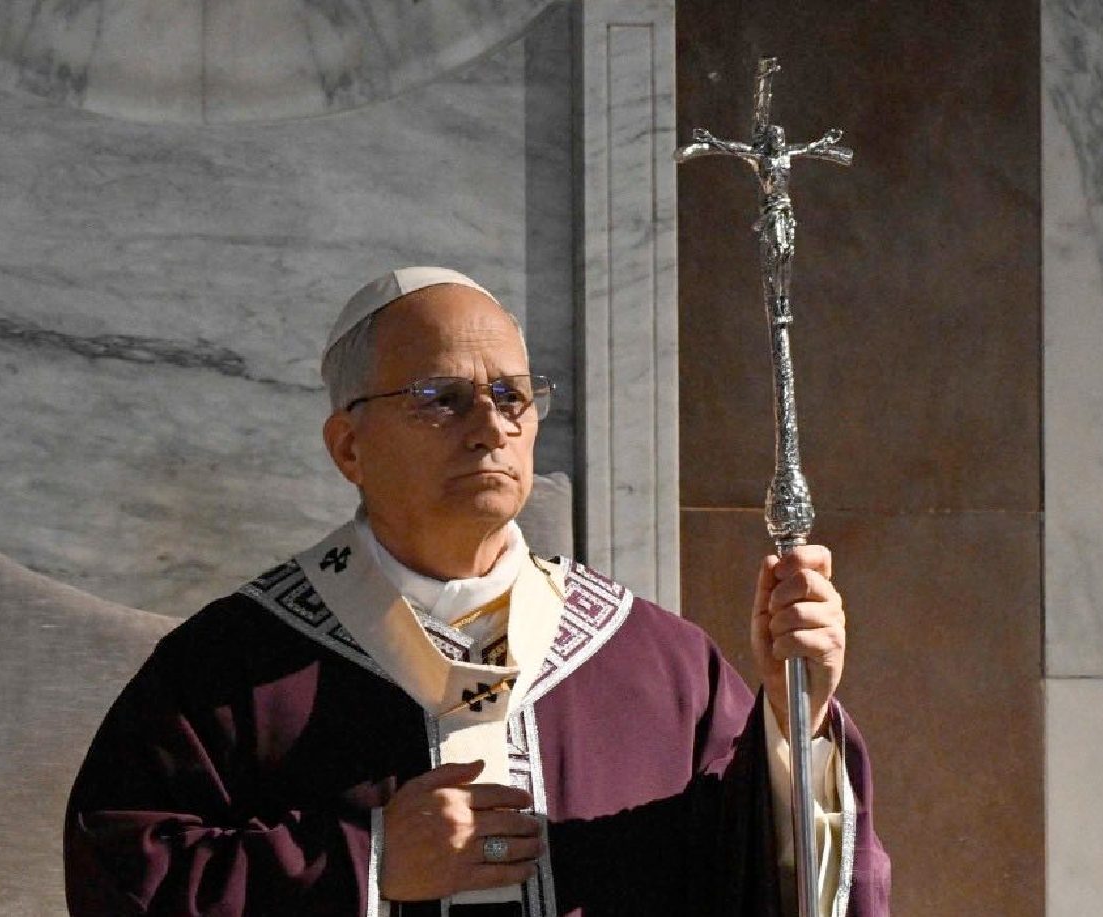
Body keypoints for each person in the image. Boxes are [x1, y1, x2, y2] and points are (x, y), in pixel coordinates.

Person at [64, 267, 891, 916]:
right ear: (349, 446)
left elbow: (761, 877)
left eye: (510, 396)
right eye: (439, 398)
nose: (490, 426)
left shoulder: (656, 663)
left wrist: (795, 724)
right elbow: (122, 876)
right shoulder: (229, 668)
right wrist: (366, 862)